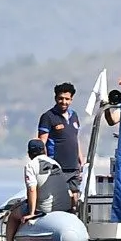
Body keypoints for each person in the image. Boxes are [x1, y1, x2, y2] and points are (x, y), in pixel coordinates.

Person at [4, 139, 71, 241]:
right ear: (44, 150)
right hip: (65, 206)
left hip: (45, 208)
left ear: (29, 153)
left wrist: (31, 212)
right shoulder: (55, 163)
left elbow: (32, 189)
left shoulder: (31, 165)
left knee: (13, 216)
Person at [37, 82, 83, 212]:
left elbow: (75, 138)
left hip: (73, 165)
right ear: (56, 98)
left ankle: (74, 215)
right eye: (61, 98)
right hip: (56, 165)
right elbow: (42, 142)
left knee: (75, 194)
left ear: (71, 99)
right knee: (59, 196)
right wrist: (44, 163)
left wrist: (81, 159)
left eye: (67, 99)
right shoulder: (48, 117)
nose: (64, 102)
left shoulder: (74, 115)